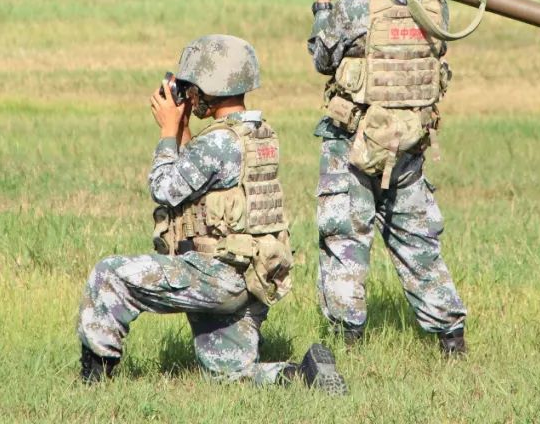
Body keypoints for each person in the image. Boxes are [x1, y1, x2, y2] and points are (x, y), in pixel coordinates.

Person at [76, 34, 347, 393]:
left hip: (214, 274)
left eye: (192, 87)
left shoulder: (218, 142)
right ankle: (302, 375)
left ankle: (93, 381)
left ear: (210, 87)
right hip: (250, 276)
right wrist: (186, 129)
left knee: (109, 275)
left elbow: (166, 189)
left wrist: (168, 132)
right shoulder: (258, 134)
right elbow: (204, 179)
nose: (188, 95)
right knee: (229, 376)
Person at [303, 0, 468, 355]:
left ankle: (346, 341)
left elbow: (322, 57)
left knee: (345, 238)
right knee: (418, 239)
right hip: (410, 142)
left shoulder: (356, 7)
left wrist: (322, 4)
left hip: (353, 142)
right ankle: (450, 337)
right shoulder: (435, 6)